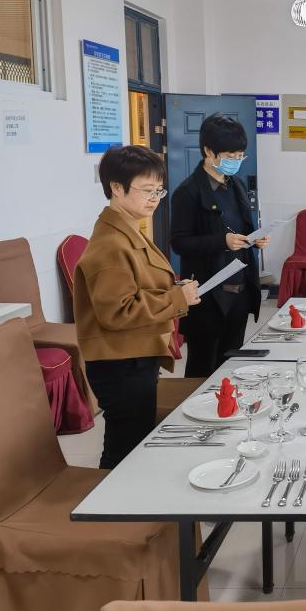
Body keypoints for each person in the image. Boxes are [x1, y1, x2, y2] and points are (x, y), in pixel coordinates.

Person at [74, 145, 201, 469]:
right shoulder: (110, 244)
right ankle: (109, 500)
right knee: (123, 450)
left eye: (159, 190)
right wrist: (176, 299)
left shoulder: (129, 229)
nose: (155, 199)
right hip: (120, 362)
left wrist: (175, 291)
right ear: (116, 188)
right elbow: (118, 312)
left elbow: (138, 286)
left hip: (133, 355)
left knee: (131, 440)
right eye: (147, 190)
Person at [171, 114, 269, 378]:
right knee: (202, 367)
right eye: (230, 155)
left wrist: (254, 239)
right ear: (208, 151)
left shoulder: (235, 184)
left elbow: (241, 228)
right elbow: (179, 242)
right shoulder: (188, 192)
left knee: (230, 364)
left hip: (239, 289)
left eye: (240, 155)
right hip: (208, 294)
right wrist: (221, 241)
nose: (236, 160)